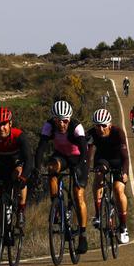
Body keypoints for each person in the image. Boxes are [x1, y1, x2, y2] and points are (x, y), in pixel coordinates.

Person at [35, 100, 90, 255]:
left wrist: (79, 169)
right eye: (58, 120)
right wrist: (37, 169)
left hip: (78, 158)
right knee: (52, 167)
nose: (62, 124)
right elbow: (41, 148)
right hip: (61, 157)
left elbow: (85, 153)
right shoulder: (48, 126)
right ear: (53, 119)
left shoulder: (76, 127)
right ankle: (57, 207)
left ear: (69, 119)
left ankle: (83, 235)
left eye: (65, 120)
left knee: (78, 195)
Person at [0, 106, 33, 258]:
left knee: (18, 174)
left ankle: (20, 210)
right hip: (0, 168)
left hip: (17, 166)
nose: (1, 127)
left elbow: (29, 159)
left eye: (4, 124)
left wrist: (24, 177)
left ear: (10, 123)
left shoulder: (19, 136)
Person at [87, 108, 131, 244]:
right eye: (97, 126)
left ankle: (123, 227)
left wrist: (125, 172)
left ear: (110, 125)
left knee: (118, 190)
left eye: (103, 125)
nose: (100, 129)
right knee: (99, 174)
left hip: (118, 161)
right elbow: (88, 153)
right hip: (102, 160)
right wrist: (86, 167)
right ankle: (98, 213)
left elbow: (125, 157)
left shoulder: (118, 133)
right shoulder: (91, 134)